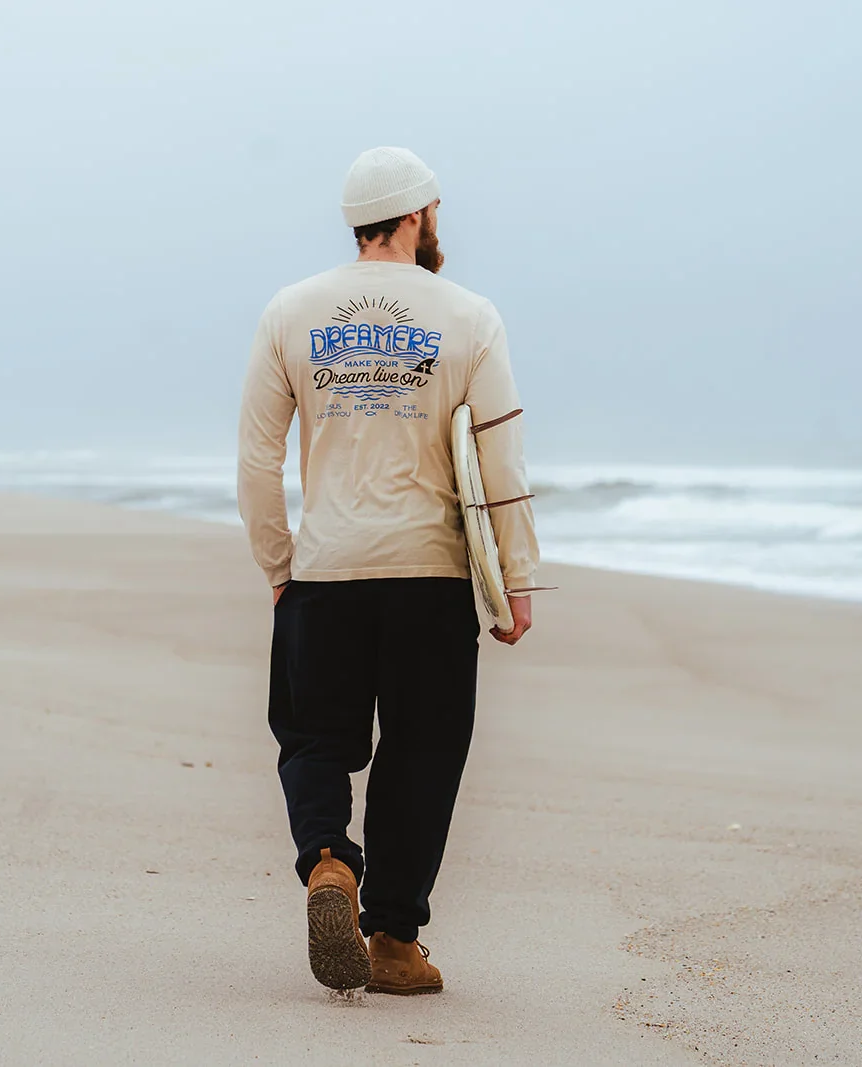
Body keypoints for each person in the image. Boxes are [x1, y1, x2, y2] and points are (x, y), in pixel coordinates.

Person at [237, 146, 539, 995]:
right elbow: (499, 458)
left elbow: (257, 460)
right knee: (424, 749)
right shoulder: (470, 315)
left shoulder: (290, 312)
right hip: (431, 577)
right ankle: (394, 942)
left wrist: (278, 563)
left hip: (326, 571)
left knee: (313, 735)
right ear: (420, 215)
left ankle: (329, 860)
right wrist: (515, 579)